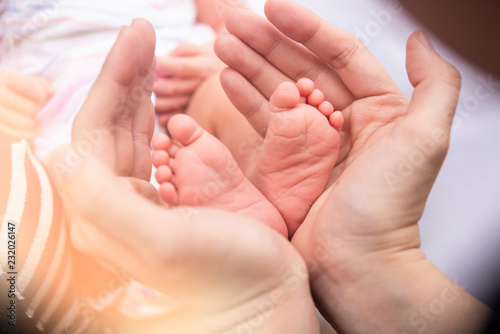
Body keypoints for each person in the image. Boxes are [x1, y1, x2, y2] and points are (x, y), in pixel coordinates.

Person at [152, 78, 343, 238]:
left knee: (217, 88)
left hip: (177, 92)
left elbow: (225, 35)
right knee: (217, 93)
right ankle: (255, 178)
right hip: (173, 89)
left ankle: (255, 182)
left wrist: (213, 56)